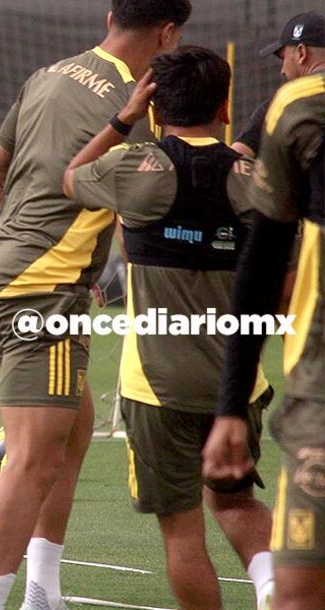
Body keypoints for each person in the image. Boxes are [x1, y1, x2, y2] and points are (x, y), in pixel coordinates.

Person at [0, 1, 189, 608]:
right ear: (167, 34)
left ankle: (44, 590)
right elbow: (138, 217)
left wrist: (30, 242)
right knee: (33, 461)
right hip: (43, 295)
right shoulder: (137, 113)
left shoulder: (50, 72)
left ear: (110, 15)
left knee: (76, 426)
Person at [64, 46, 275, 610]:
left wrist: (124, 117)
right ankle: (280, 593)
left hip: (157, 387)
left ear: (156, 105)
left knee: (182, 530)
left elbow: (70, 178)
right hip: (238, 383)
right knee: (235, 504)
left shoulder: (136, 167)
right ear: (225, 106)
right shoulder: (254, 180)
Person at [203, 56, 325, 610]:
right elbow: (263, 258)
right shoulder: (300, 108)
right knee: (296, 594)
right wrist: (230, 406)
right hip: (320, 397)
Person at [232, 12, 325, 158]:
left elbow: (236, 157)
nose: (282, 70)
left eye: (283, 58)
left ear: (301, 53)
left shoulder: (285, 103)